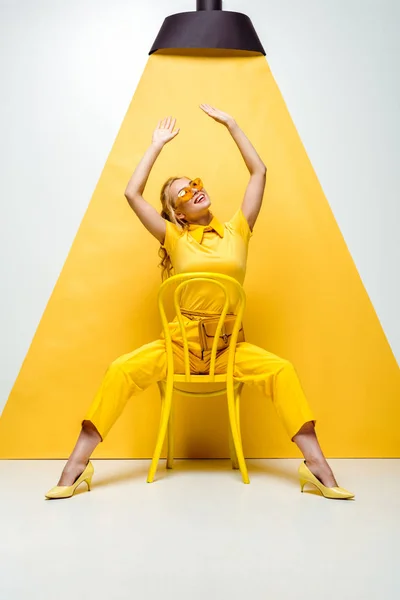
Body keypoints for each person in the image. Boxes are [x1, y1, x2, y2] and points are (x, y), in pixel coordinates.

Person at [45, 104, 354, 500]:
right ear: (177, 214)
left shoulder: (238, 230)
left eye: (194, 182)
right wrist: (156, 145)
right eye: (183, 193)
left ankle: (317, 467)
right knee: (119, 370)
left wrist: (232, 124)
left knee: (283, 370)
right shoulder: (174, 238)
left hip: (229, 350)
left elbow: (259, 172)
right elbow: (130, 193)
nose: (194, 189)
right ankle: (76, 466)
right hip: (179, 348)